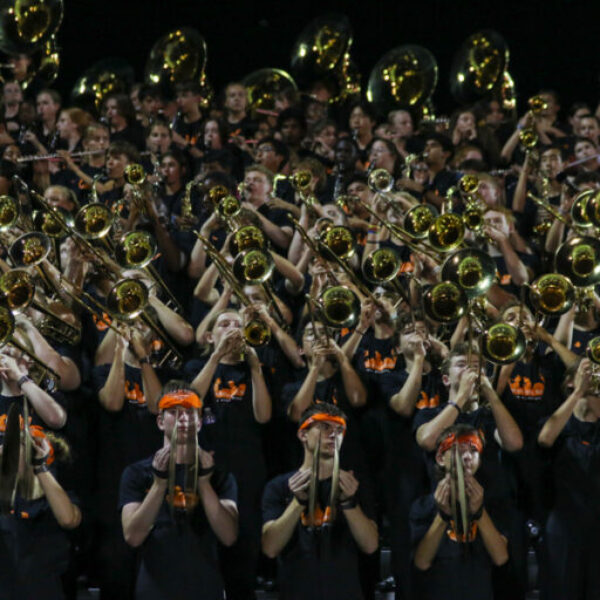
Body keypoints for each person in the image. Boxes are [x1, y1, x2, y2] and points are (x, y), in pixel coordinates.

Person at [120, 380, 239, 600]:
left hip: (205, 588)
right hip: (155, 589)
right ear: (160, 421)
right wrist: (159, 484)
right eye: (174, 412)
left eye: (190, 412)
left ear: (200, 421)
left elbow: (229, 536)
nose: (183, 419)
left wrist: (204, 482)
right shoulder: (137, 473)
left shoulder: (219, 475)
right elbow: (133, 536)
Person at [261, 402, 378, 600]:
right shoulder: (279, 487)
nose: (333, 434)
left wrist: (349, 503)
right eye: (324, 427)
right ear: (302, 434)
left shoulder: (354, 484)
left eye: (339, 429)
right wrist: (298, 502)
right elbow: (270, 548)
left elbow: (370, 545)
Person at [411, 424, 509, 600]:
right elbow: (421, 562)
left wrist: (479, 512)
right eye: (458, 449)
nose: (467, 456)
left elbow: (501, 557)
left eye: (474, 450)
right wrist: (442, 517)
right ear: (441, 458)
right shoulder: (424, 505)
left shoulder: (491, 501)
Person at [537, 359, 600, 600]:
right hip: (563, 528)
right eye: (588, 372)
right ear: (569, 382)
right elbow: (545, 439)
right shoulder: (557, 422)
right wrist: (579, 393)